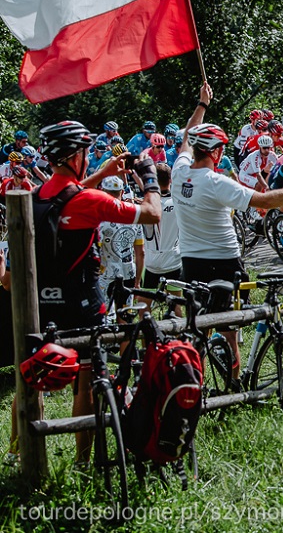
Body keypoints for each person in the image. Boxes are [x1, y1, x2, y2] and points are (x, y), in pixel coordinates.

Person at [32, 119, 162, 465]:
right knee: (86, 381)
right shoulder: (90, 200)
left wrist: (102, 171)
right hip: (83, 302)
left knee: (34, 374)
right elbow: (151, 214)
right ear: (76, 156)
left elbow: (65, 199)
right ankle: (82, 460)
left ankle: (23, 455)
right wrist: (149, 178)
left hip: (43, 302)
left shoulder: (36, 196)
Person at [172, 82, 283, 377]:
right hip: (224, 261)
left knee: (197, 332)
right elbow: (265, 199)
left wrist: (202, 104)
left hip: (190, 261)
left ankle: (198, 389)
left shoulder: (179, 172)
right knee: (230, 331)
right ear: (216, 153)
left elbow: (186, 140)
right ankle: (233, 388)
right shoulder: (216, 183)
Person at [96, 176, 144, 318]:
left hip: (106, 274)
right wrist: (138, 280)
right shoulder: (134, 217)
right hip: (128, 272)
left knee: (105, 317)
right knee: (125, 316)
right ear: (122, 192)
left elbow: (97, 252)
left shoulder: (101, 220)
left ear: (104, 192)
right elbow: (141, 253)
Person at [136, 164, 181, 314]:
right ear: (170, 180)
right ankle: (181, 337)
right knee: (176, 305)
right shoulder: (178, 202)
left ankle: (147, 336)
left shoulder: (148, 206)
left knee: (143, 307)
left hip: (152, 263)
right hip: (174, 260)